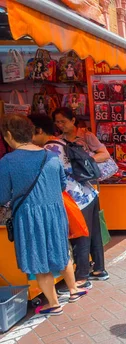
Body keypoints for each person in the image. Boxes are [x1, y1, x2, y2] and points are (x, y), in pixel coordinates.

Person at [0, 115, 87, 315]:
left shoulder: (8, 161)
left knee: (37, 258)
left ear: (10, 135)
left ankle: (53, 303)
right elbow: (62, 185)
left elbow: (3, 195)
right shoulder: (50, 157)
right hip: (56, 211)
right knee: (61, 249)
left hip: (29, 215)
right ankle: (73, 290)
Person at [53, 108, 108, 286]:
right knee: (89, 230)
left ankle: (86, 274)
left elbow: (105, 154)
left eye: (63, 121)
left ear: (73, 120)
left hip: (85, 188)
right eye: (57, 122)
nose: (60, 125)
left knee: (86, 232)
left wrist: (85, 160)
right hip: (81, 192)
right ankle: (97, 269)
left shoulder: (86, 136)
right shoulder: (58, 141)